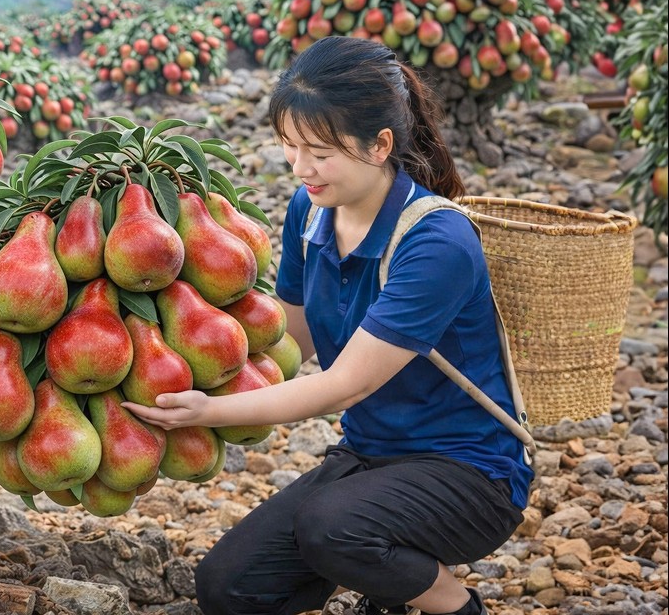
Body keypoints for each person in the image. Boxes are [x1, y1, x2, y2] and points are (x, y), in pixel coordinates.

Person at [123, 36, 533, 615]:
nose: (300, 167)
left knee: (332, 528)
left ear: (379, 144)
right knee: (228, 586)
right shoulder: (309, 210)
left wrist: (209, 412)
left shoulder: (437, 240)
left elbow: (349, 384)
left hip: (469, 472)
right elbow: (292, 340)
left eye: (319, 151)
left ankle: (453, 603)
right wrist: (176, 355)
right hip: (371, 456)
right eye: (289, 146)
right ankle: (388, 582)